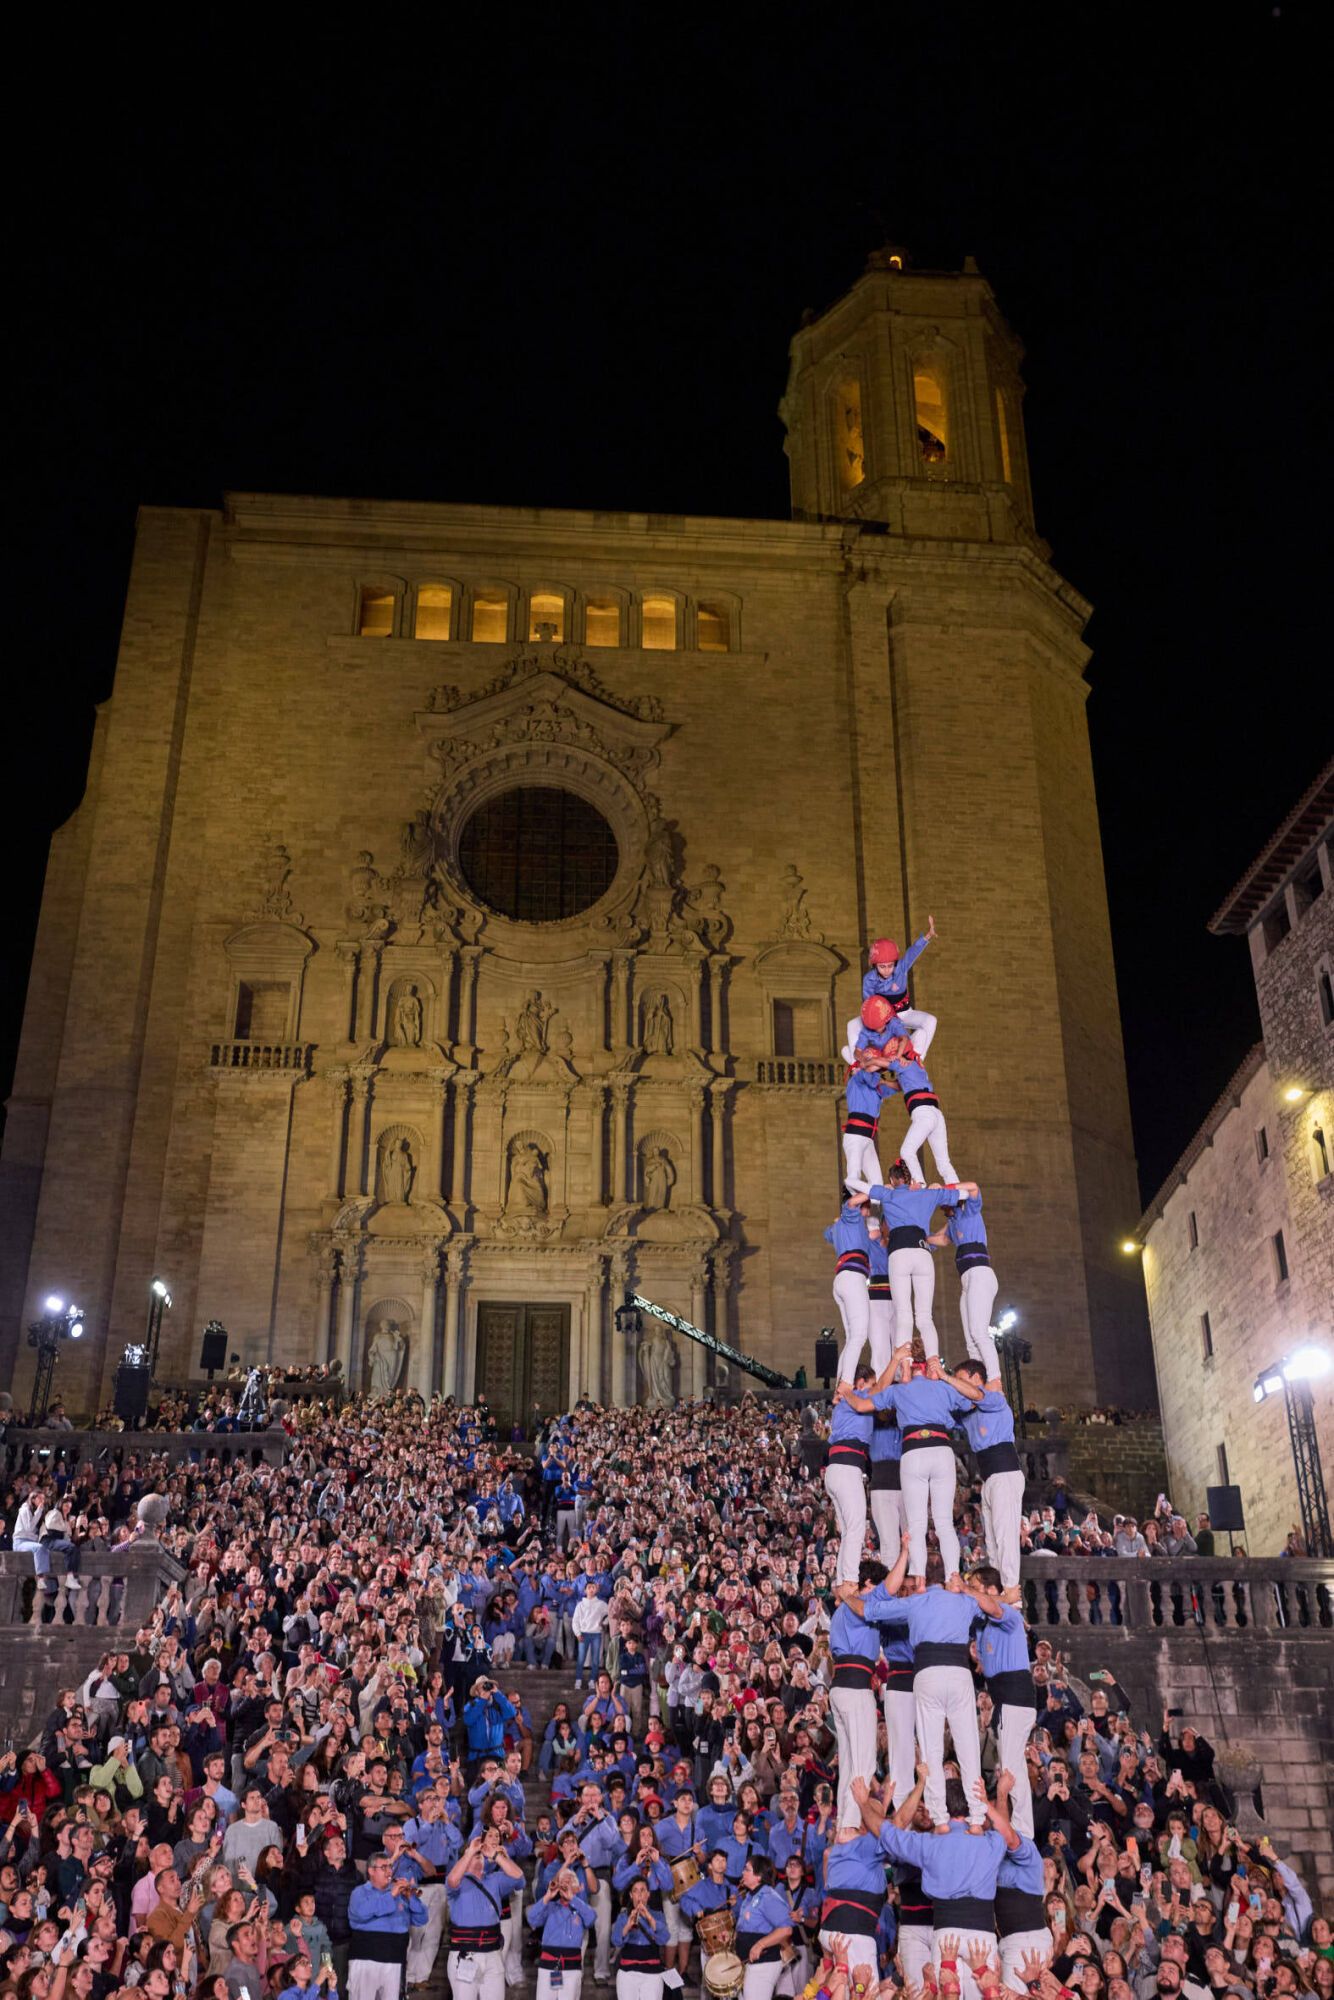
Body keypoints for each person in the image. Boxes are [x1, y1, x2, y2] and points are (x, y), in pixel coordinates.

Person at [842, 1555, 984, 1833]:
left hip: (925, 1674)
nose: (907, 1589)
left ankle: (942, 1820)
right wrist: (970, 1590)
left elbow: (868, 1610)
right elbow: (994, 1609)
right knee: (917, 1754)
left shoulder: (913, 1603)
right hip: (919, 1678)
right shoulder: (960, 1600)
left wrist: (847, 1595)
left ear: (920, 1580)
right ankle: (972, 1818)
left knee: (931, 1748)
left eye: (911, 1584)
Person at [854, 1773, 1022, 2000]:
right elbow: (1006, 1831)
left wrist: (864, 1802)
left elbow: (887, 1832)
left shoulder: (929, 1843)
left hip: (945, 1935)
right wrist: (1000, 1795)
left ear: (939, 1807)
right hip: (981, 1935)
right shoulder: (991, 1841)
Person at [836, 1355, 983, 1584]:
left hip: (911, 1462)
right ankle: (948, 1577)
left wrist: (845, 1390)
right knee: (934, 1524)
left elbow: (863, 1403)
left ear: (908, 1366)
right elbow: (977, 1397)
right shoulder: (938, 1388)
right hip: (902, 1471)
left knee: (915, 1527)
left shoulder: (898, 1393)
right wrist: (946, 1377)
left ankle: (919, 1580)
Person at [847, 1167, 976, 1370]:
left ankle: (905, 1370)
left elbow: (855, 1190)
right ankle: (934, 1367)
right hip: (922, 1252)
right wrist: (937, 1188)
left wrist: (884, 1188)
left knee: (904, 1314)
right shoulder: (927, 1194)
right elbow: (966, 1193)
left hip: (899, 1253)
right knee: (925, 1316)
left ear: (892, 1179)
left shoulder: (887, 1193)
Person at [963, 1568, 1036, 1840]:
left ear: (989, 1589)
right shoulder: (983, 1623)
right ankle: (1022, 1828)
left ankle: (1023, 1832)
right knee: (1011, 1762)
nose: (969, 1591)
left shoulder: (1010, 1617)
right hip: (1005, 1700)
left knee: (1011, 1767)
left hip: (1014, 1697)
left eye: (974, 1586)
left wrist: (996, 1598)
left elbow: (994, 1608)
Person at [954, 1364, 1025, 1598]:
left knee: (1005, 1533)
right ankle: (997, 1589)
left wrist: (943, 1376)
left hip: (1004, 1471)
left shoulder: (994, 1398)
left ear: (976, 1378)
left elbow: (978, 1395)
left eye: (961, 1379)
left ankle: (1012, 1590)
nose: (958, 1385)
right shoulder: (969, 1411)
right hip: (988, 1476)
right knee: (992, 1539)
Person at [828, 1558, 887, 1830]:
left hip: (842, 1686)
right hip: (854, 1687)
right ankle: (851, 1825)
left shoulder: (843, 1611)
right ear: (867, 1585)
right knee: (863, 1762)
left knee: (850, 1762)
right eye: (880, 1587)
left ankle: (844, 1822)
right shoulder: (858, 1607)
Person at [862, 1034, 959, 1188]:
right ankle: (958, 1193)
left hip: (923, 1113)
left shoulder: (905, 1063)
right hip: (935, 1114)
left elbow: (881, 1063)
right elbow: (900, 1086)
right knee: (943, 1162)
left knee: (907, 1151)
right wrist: (884, 1081)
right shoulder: (915, 1067)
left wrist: (867, 1062)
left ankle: (919, 1184)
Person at [927, 1190, 1000, 1381]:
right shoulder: (953, 1222)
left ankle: (994, 1379)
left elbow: (974, 1188)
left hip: (979, 1274)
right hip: (967, 1281)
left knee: (978, 1332)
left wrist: (948, 1190)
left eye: (945, 1206)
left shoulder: (969, 1211)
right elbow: (941, 1239)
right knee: (970, 1340)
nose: (943, 1210)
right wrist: (913, 1236)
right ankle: (978, 1381)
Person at [446, 1828, 526, 2000]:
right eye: (476, 1855)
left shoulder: (494, 1879)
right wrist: (470, 1851)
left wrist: (497, 1856)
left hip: (493, 1953)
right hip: (465, 1953)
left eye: (480, 1856)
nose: (478, 1857)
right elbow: (452, 1880)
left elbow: (518, 1877)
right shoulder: (458, 1882)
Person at [842, 926, 937, 1065]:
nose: (887, 970)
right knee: (851, 1025)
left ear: (895, 963)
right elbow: (869, 1004)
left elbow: (912, 953)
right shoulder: (869, 979)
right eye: (882, 966)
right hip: (884, 1020)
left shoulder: (901, 968)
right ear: (875, 965)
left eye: (890, 965)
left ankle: (918, 1059)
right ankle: (855, 1064)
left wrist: (927, 937)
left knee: (931, 1020)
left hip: (904, 1013)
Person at [346, 1852, 427, 2000]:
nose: (389, 1871)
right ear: (371, 1871)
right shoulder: (359, 1893)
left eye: (390, 1866)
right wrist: (391, 1896)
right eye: (384, 1867)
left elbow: (421, 1919)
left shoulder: (399, 1894)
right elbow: (361, 1913)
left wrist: (412, 1898)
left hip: (395, 1960)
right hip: (366, 1960)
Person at [823, 1363, 876, 1586]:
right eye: (870, 1385)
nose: (874, 1390)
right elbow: (882, 1388)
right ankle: (850, 1581)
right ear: (861, 1383)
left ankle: (841, 1580)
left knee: (847, 1531)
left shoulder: (842, 1405)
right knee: (855, 1528)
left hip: (836, 1469)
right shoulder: (857, 1397)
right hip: (846, 1467)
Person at [526, 1865, 596, 2000]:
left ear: (577, 1888)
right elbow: (532, 1919)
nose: (565, 1884)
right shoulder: (550, 1906)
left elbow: (591, 1918)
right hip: (548, 1966)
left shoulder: (581, 1908)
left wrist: (573, 1899)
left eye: (569, 1882)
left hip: (572, 1967)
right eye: (562, 1881)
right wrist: (547, 1897)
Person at [824, 1195, 873, 1383]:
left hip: (842, 1278)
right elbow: (852, 1203)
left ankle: (839, 1386)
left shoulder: (841, 1226)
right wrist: (873, 1189)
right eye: (867, 1207)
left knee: (852, 1338)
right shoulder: (853, 1217)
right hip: (853, 1276)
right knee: (859, 1336)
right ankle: (845, 1386)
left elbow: (826, 1233)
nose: (868, 1212)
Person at [733, 1855, 793, 2000]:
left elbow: (786, 1929)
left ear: (758, 1876)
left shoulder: (768, 1896)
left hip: (763, 1964)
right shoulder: (749, 1896)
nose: (743, 1873)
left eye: (747, 1869)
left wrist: (761, 1944)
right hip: (747, 1962)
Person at [611, 1876, 670, 2000]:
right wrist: (627, 1926)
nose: (639, 1894)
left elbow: (664, 1938)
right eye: (635, 1891)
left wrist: (649, 1917)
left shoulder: (657, 1915)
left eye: (643, 1890)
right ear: (631, 1895)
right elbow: (616, 1941)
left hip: (652, 1973)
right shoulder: (623, 1916)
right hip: (627, 1973)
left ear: (648, 1894)